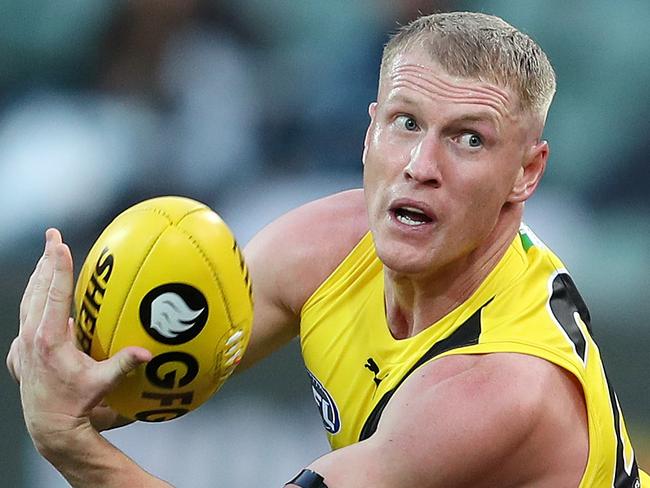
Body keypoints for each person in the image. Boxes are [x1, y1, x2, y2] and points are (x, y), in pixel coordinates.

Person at [6, 11, 649, 488]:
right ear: (369, 131)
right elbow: (146, 381)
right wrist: (71, 369)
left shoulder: (498, 390)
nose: (421, 165)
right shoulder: (324, 249)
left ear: (527, 174)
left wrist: (71, 444)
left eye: (469, 139)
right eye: (406, 123)